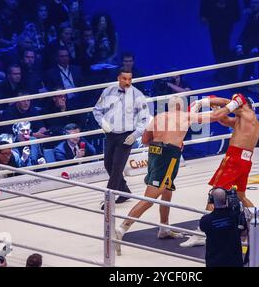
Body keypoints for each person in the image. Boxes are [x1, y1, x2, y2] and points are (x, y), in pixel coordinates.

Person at [114, 95, 234, 255]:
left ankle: (164, 227)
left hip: (154, 153)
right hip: (168, 156)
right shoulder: (185, 116)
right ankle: (122, 229)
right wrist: (233, 103)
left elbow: (144, 140)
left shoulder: (157, 117)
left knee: (167, 190)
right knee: (150, 198)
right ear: (181, 106)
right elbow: (216, 116)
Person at [181, 93, 259, 247]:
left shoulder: (247, 114)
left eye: (235, 102)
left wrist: (202, 102)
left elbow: (226, 104)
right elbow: (223, 119)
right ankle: (258, 227)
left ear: (244, 106)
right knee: (240, 195)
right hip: (245, 160)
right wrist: (214, 106)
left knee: (215, 193)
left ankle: (201, 233)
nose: (232, 103)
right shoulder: (246, 121)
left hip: (234, 158)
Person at [93, 71, 150, 207]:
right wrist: (103, 123)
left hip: (127, 136)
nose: (127, 81)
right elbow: (96, 110)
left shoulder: (137, 95)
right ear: (119, 78)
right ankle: (124, 191)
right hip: (110, 133)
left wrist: (135, 135)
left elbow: (144, 118)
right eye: (124, 78)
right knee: (108, 164)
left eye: (130, 79)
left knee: (117, 168)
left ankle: (109, 200)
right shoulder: (108, 91)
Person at [200, 0, 250, 68]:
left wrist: (248, 6)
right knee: (215, 40)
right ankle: (219, 65)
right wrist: (203, 14)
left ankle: (224, 67)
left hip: (229, 13)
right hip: (213, 12)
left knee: (224, 39)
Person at [200, 188, 243, 267]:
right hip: (234, 261)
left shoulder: (206, 220)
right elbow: (244, 231)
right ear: (227, 198)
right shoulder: (236, 216)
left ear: (211, 200)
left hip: (214, 261)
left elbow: (203, 228)